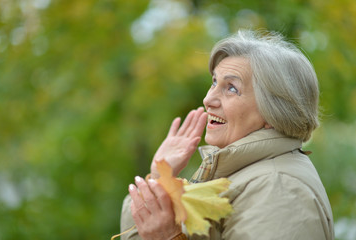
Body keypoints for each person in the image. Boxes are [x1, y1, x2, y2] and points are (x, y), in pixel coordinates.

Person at [120, 29, 334, 240]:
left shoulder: (277, 187)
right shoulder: (241, 175)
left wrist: (169, 237)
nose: (208, 99)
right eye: (214, 82)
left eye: (231, 88)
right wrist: (160, 181)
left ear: (273, 111)